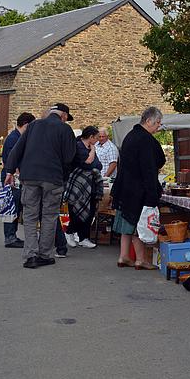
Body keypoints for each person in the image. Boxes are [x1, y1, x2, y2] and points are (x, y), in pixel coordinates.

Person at [4, 103, 77, 269]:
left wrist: (9, 171)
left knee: (30, 216)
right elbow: (69, 158)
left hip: (30, 176)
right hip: (53, 178)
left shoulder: (34, 125)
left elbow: (18, 149)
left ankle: (30, 255)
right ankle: (44, 254)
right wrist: (64, 177)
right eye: (67, 118)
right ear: (64, 115)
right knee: (49, 216)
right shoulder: (65, 130)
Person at [111, 106, 166, 270]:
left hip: (124, 186)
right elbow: (148, 169)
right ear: (148, 121)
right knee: (138, 225)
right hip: (138, 189)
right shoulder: (145, 140)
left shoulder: (130, 136)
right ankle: (140, 259)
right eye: (157, 123)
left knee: (126, 225)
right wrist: (152, 194)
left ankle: (123, 256)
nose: (158, 127)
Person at [64, 126, 104, 249]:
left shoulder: (89, 147)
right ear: (91, 137)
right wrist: (92, 151)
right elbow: (88, 162)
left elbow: (98, 165)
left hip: (90, 184)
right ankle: (69, 232)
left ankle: (84, 237)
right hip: (78, 184)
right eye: (96, 137)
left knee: (90, 210)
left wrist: (92, 161)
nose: (98, 140)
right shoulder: (78, 146)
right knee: (76, 210)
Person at [1, 112, 35, 248]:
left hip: (13, 177)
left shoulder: (16, 137)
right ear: (26, 125)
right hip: (12, 178)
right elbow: (11, 159)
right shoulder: (14, 138)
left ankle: (12, 235)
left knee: (14, 207)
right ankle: (10, 237)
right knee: (12, 207)